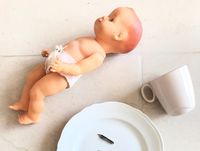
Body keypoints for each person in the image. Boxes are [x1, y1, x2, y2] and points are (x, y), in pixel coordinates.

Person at [9, 7, 142, 124]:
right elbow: (67, 48)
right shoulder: (89, 39)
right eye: (109, 14)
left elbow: (79, 68)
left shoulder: (98, 55)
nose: (104, 17)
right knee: (32, 76)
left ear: (118, 36)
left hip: (63, 75)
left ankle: (33, 115)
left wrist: (63, 68)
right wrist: (51, 53)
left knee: (37, 91)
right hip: (55, 62)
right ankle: (24, 102)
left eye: (111, 19)